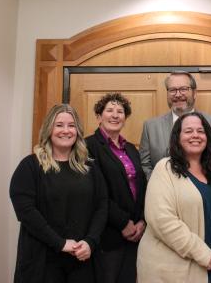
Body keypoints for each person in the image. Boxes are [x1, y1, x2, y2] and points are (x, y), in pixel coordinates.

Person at [137, 112, 211, 283]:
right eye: (188, 131)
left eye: (200, 131)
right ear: (177, 137)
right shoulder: (164, 169)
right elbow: (161, 220)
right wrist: (205, 255)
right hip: (173, 272)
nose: (195, 135)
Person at [10, 104, 108, 283]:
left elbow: (102, 206)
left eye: (71, 125)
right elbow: (26, 212)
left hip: (82, 260)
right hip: (42, 262)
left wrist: (90, 242)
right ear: (49, 129)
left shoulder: (90, 167)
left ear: (77, 131)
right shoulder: (30, 166)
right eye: (59, 125)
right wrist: (60, 243)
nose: (66, 130)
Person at [85, 93, 147, 283]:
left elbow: (142, 186)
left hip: (135, 233)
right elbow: (95, 191)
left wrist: (142, 221)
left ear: (125, 118)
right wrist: (123, 223)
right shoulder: (88, 146)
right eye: (109, 110)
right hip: (108, 235)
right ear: (98, 116)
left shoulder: (130, 148)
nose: (115, 115)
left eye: (120, 111)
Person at [139, 71, 211, 180]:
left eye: (184, 89)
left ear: (195, 93)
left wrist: (203, 186)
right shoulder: (150, 127)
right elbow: (144, 166)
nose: (178, 94)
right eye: (172, 90)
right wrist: (162, 185)